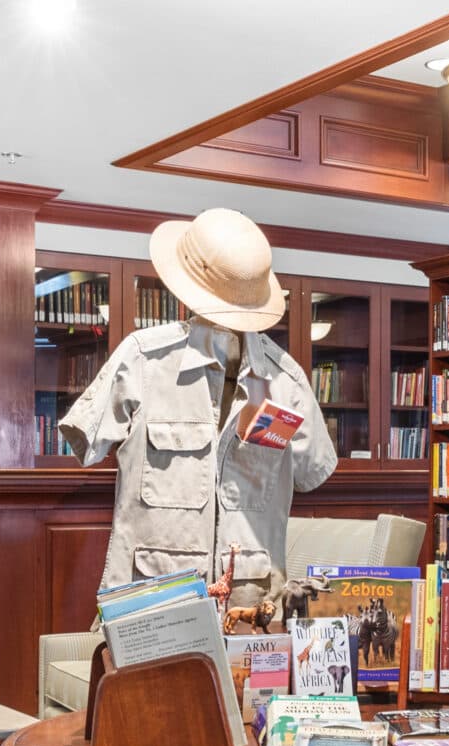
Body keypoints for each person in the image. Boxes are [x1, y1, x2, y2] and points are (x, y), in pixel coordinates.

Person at [57, 208, 336, 612]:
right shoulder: (143, 361)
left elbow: (312, 471)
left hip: (250, 612)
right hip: (153, 606)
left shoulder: (284, 381)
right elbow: (314, 474)